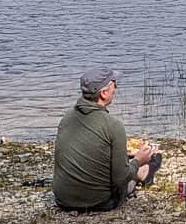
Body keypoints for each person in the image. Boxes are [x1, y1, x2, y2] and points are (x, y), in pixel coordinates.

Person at [53, 67, 162, 212]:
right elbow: (120, 179)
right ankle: (143, 172)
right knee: (130, 174)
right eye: (114, 84)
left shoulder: (66, 118)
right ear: (103, 93)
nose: (116, 87)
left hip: (62, 199)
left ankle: (142, 170)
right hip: (99, 201)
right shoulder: (113, 125)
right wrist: (138, 160)